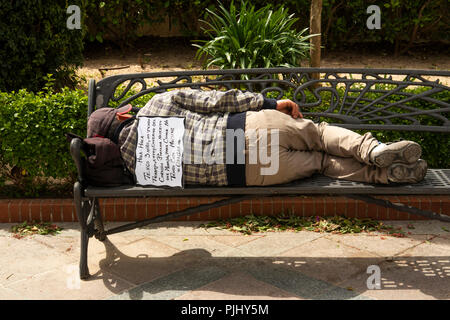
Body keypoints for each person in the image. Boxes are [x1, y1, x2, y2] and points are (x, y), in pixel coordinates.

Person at [108, 89, 427, 187]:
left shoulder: (137, 171)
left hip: (249, 172)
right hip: (246, 128)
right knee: (318, 134)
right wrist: (273, 104)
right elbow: (219, 101)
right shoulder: (154, 106)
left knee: (320, 163)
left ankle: (385, 174)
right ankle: (375, 150)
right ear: (122, 116)